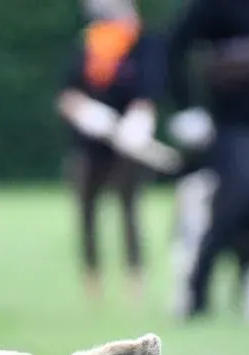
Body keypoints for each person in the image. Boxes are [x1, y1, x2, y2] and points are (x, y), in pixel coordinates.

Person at [163, 0, 249, 319]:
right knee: (233, 206)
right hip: (236, 126)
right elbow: (173, 46)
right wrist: (187, 106)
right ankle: (198, 286)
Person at [55, 0, 168, 303]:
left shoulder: (142, 43)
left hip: (128, 143)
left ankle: (135, 280)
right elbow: (67, 93)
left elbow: (149, 91)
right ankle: (92, 282)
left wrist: (139, 119)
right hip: (89, 143)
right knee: (87, 214)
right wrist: (84, 112)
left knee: (129, 210)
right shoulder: (88, 42)